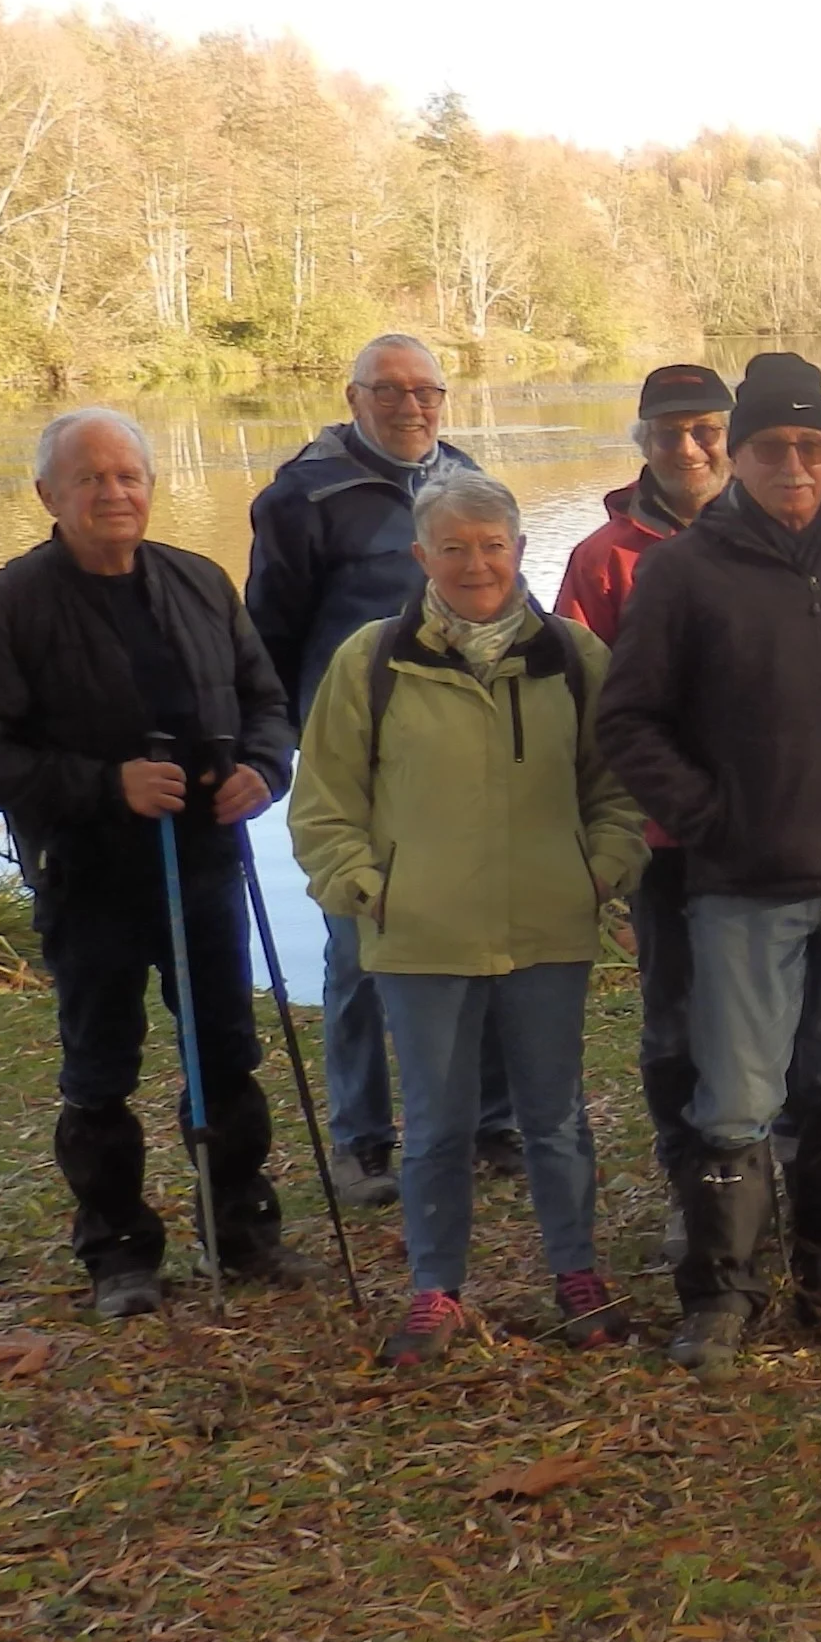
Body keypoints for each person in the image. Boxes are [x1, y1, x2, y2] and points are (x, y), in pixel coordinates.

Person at [597, 352, 821, 1371]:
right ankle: (719, 1300)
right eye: (771, 447)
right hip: (748, 885)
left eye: (813, 446)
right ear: (739, 455)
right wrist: (710, 815)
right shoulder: (686, 571)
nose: (794, 464)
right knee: (737, 1101)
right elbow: (627, 720)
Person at [0, 409, 299, 1318]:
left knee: (227, 1055)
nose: (114, 493)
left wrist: (263, 770)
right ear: (49, 495)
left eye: (128, 475)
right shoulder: (1, 607)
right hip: (87, 875)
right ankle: (120, 1253)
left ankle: (242, 1232)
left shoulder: (201, 582)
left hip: (209, 863)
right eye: (91, 479)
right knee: (100, 1070)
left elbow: (267, 703)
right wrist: (106, 785)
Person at [289, 472, 645, 1366]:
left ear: (521, 552)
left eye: (492, 544)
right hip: (421, 936)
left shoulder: (572, 656)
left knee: (555, 1117)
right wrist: (365, 887)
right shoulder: (370, 661)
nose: (475, 563)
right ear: (422, 558)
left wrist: (599, 870)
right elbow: (325, 801)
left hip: (547, 929)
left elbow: (618, 790)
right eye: (453, 547)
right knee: (439, 1126)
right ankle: (435, 1290)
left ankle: (576, 1273)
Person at [249, 332, 498, 1207]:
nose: (410, 407)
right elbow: (268, 636)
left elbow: (503, 601)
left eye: (425, 391)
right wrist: (272, 746)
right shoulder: (303, 497)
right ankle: (362, 1140)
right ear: (353, 397)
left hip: (465, 753)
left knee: (481, 927)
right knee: (358, 946)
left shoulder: (465, 477)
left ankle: (493, 1119)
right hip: (352, 754)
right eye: (388, 391)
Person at [556, 363, 734, 1192]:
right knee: (673, 1021)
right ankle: (687, 1175)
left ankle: (768, 1168)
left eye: (707, 430)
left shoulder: (776, 533)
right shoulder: (601, 560)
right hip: (661, 837)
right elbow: (580, 709)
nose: (691, 448)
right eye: (671, 432)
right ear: (645, 442)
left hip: (765, 824)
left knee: (777, 1010)